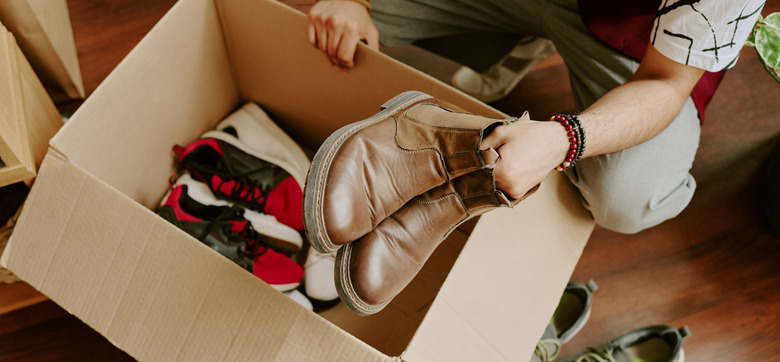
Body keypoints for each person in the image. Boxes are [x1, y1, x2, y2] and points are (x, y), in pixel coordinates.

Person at [306, 0, 766, 234]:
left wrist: (566, 138)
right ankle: (522, 38)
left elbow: (667, 81)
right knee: (319, 29)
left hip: (641, 35)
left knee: (627, 197)